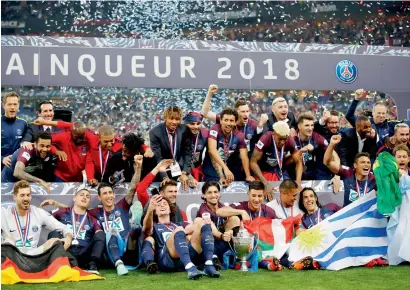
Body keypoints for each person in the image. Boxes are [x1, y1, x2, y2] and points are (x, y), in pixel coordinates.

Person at [143, 197, 220, 280]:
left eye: (165, 204)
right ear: (154, 211)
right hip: (167, 260)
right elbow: (147, 230)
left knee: (200, 221)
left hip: (184, 257)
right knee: (179, 230)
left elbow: (196, 226)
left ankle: (209, 264)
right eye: (158, 205)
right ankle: (190, 268)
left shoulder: (179, 224)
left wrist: (205, 222)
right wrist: (150, 210)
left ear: (170, 209)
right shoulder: (154, 226)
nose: (162, 206)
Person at [1, 180, 72, 256]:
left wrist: (68, 237)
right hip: (12, 256)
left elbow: (63, 227)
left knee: (54, 242)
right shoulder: (4, 214)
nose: (26, 198)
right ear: (15, 197)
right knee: (8, 242)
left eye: (28, 195)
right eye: (22, 195)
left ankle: (57, 267)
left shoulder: (38, 212)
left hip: (34, 256)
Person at [49, 189, 105, 274]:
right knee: (53, 234)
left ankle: (92, 265)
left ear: (89, 202)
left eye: (87, 196)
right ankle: (57, 263)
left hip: (83, 254)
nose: (84, 197)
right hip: (66, 251)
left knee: (100, 233)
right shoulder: (62, 212)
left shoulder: (92, 219)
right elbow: (44, 218)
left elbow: (99, 237)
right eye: (82, 195)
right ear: (74, 198)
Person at [201, 85, 268, 154]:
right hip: (228, 158)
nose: (246, 114)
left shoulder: (253, 125)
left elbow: (264, 140)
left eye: (247, 111)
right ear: (236, 112)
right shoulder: (227, 121)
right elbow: (205, 113)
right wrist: (209, 94)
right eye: (243, 112)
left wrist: (261, 125)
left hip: (244, 158)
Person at [250, 121, 302, 199]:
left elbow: (298, 162)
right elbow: (253, 162)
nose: (282, 142)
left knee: (291, 193)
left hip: (280, 170)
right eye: (280, 139)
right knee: (265, 194)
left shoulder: (290, 140)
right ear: (274, 134)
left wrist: (298, 182)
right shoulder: (265, 138)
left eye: (285, 139)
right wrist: (265, 183)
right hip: (264, 170)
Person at [202, 108, 254, 183]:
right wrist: (225, 169)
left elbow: (244, 157)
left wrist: (248, 175)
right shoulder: (215, 128)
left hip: (228, 170)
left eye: (231, 121)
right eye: (226, 120)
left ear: (235, 122)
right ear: (220, 121)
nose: (228, 123)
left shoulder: (240, 135)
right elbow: (212, 150)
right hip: (211, 170)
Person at [324, 135, 377, 207]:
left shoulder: (374, 179)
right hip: (350, 215)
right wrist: (332, 144)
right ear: (355, 165)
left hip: (366, 215)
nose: (366, 164)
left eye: (368, 162)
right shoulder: (348, 173)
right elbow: (327, 162)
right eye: (363, 162)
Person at [196, 182, 240, 262]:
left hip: (223, 241)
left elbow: (235, 221)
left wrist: (230, 232)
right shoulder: (203, 210)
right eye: (209, 192)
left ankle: (238, 253)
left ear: (219, 194)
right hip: (209, 244)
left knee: (235, 218)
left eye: (215, 192)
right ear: (203, 195)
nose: (213, 195)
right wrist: (223, 236)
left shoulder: (222, 206)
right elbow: (214, 231)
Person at [149, 106, 193, 186]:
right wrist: (164, 177)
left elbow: (188, 152)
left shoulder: (184, 129)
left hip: (181, 169)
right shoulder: (155, 133)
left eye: (177, 119)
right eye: (171, 119)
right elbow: (158, 158)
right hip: (163, 171)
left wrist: (185, 171)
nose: (174, 122)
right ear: (165, 118)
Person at [293, 112, 330, 180]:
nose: (310, 128)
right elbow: (285, 161)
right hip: (292, 175)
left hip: (312, 175)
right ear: (299, 126)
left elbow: (332, 154)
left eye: (312, 125)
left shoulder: (317, 138)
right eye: (307, 125)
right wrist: (300, 151)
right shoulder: (291, 138)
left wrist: (337, 174)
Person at [1, 92, 27, 170]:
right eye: (9, 104)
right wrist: (2, 159)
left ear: (18, 106)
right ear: (3, 106)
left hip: (17, 167)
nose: (12, 107)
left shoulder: (23, 124)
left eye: (15, 104)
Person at [182, 112, 208, 184]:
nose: (196, 126)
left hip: (197, 169)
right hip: (182, 170)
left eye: (198, 123)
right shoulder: (179, 135)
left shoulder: (205, 134)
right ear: (185, 124)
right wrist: (187, 174)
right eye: (192, 124)